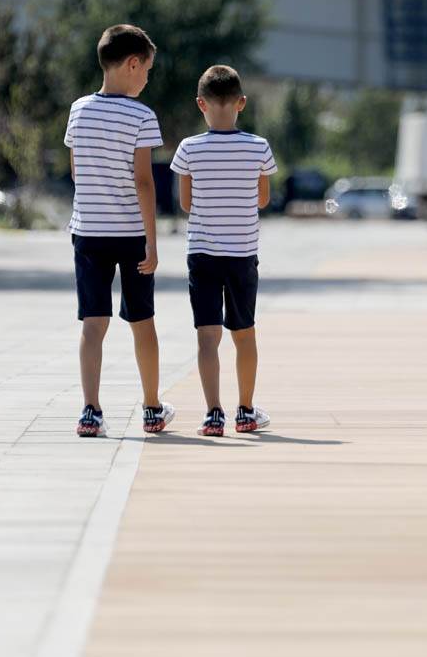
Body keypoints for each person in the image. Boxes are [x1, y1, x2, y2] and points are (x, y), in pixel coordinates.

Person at [66, 24, 175, 437]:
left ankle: (91, 411)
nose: (147, 78)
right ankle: (151, 408)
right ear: (132, 64)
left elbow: (77, 171)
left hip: (88, 231)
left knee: (93, 323)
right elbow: (144, 181)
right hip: (130, 234)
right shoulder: (141, 115)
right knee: (141, 320)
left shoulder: (78, 110)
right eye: (146, 69)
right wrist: (152, 240)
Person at [170, 65, 277, 436]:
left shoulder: (188, 149)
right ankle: (245, 410)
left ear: (201, 103)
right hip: (243, 254)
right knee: (244, 333)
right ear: (241, 103)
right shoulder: (259, 147)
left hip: (202, 253)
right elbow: (263, 199)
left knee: (207, 336)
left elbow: (186, 204)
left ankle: (213, 413)